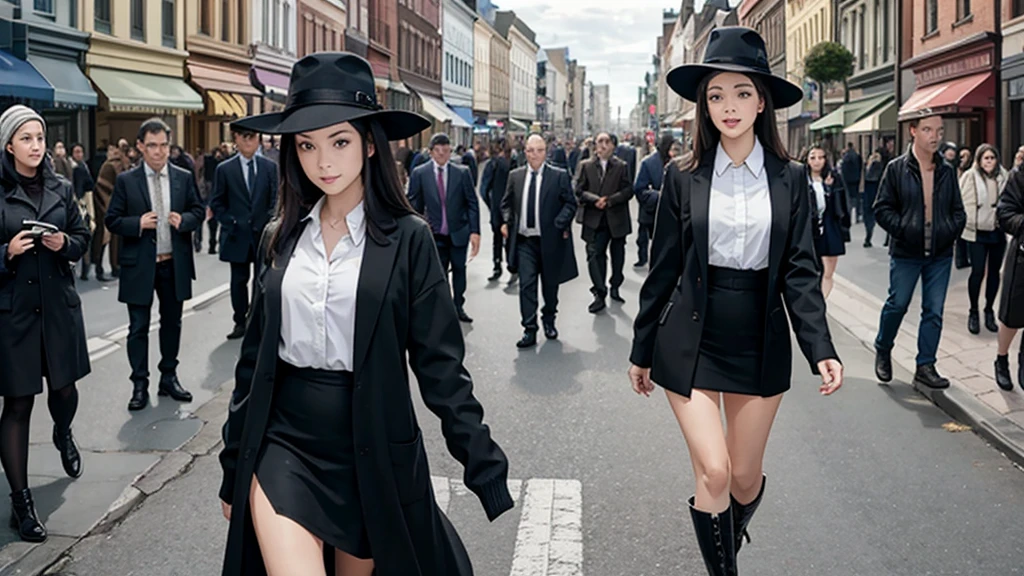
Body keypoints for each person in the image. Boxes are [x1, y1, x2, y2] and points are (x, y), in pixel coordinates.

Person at [217, 52, 513, 576]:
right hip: (282, 442)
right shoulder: (280, 237)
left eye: (339, 142)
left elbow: (440, 367)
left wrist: (482, 462)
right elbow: (252, 363)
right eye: (306, 145)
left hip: (370, 447)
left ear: (369, 144)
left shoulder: (409, 240)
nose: (323, 161)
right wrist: (230, 466)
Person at [628, 27, 843, 575]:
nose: (729, 106)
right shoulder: (683, 177)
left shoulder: (791, 179)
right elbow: (664, 269)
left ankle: (722, 529)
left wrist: (821, 346)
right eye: (717, 94)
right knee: (716, 474)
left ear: (762, 101)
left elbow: (799, 271)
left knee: (744, 478)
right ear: (704, 103)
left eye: (742, 93)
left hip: (760, 336)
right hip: (690, 337)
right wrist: (642, 347)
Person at [0, 105, 91, 542]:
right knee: (17, 405)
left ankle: (63, 431)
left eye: (39, 137)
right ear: (8, 145)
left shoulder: (63, 187)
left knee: (65, 389)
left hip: (57, 307)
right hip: (14, 313)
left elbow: (83, 240)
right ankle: (22, 505)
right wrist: (7, 252)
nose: (36, 146)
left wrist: (63, 242)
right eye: (26, 138)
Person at [105, 118, 205, 411]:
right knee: (138, 328)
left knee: (172, 323)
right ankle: (139, 384)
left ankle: (169, 377)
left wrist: (184, 221)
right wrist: (137, 223)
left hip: (173, 263)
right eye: (152, 146)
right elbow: (112, 220)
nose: (159, 152)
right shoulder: (126, 180)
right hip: (139, 265)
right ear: (140, 147)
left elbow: (198, 210)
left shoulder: (183, 177)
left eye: (164, 145)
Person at [872, 114, 967, 390]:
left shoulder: (947, 171)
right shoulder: (896, 169)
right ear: (913, 131)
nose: (934, 136)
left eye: (939, 130)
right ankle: (883, 347)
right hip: (906, 252)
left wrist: (949, 230)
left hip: (939, 254)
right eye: (927, 130)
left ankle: (925, 365)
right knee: (897, 304)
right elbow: (881, 209)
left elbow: (958, 211)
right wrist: (904, 229)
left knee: (934, 311)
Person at [500, 134, 578, 348]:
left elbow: (570, 204)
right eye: (531, 150)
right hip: (525, 242)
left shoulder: (559, 176)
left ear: (546, 152)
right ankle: (529, 329)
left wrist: (558, 224)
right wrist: (507, 221)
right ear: (525, 152)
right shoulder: (515, 176)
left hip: (550, 241)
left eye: (540, 150)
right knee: (527, 286)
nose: (535, 154)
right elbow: (506, 203)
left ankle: (549, 319)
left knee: (550, 286)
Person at [209, 127, 279, 340]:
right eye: (244, 137)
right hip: (236, 234)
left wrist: (270, 222)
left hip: (262, 235)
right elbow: (217, 202)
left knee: (262, 279)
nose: (249, 142)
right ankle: (239, 320)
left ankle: (258, 320)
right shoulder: (225, 169)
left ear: (259, 140)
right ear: (236, 139)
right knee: (238, 280)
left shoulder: (269, 167)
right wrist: (230, 221)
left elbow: (276, 198)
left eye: (253, 137)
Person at [407, 133, 480, 323]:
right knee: (439, 274)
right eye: (438, 151)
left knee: (459, 270)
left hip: (458, 232)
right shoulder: (420, 174)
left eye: (446, 151)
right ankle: (445, 307)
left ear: (450, 152)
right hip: (434, 234)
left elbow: (472, 202)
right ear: (430, 153)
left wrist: (475, 231)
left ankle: (458, 306)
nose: (442, 155)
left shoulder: (462, 173)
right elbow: (414, 204)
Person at [576, 132, 633, 313]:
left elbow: (628, 190)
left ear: (613, 146)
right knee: (594, 255)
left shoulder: (621, 166)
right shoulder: (585, 166)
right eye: (599, 141)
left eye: (607, 142)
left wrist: (609, 200)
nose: (602, 145)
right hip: (594, 219)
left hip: (616, 219)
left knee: (618, 256)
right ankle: (599, 292)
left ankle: (615, 284)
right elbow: (578, 189)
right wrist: (595, 200)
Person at [959, 144, 1008, 335]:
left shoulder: (1004, 177)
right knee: (977, 272)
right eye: (985, 158)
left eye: (992, 158)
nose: (989, 162)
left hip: (997, 231)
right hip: (976, 232)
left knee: (994, 273)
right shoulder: (970, 176)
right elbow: (962, 200)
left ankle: (989, 310)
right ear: (979, 160)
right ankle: (973, 311)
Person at [805, 143, 850, 298]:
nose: (817, 161)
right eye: (813, 157)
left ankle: (821, 303)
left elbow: (842, 206)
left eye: (820, 157)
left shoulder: (834, 178)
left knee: (828, 272)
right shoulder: (801, 179)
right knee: (813, 270)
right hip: (809, 230)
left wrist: (828, 189)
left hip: (830, 228)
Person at [995, 169, 1024, 391]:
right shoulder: (1020, 175)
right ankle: (1001, 358)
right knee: (1012, 317)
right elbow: (1005, 212)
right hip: (1022, 258)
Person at [634, 133, 675, 268]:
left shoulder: (677, 162)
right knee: (643, 238)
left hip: (671, 212)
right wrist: (660, 196)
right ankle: (643, 258)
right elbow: (640, 189)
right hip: (650, 211)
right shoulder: (648, 163)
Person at [479, 139, 511, 282]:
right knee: (511, 237)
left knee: (496, 239)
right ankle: (512, 264)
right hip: (511, 207)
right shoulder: (513, 163)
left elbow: (483, 189)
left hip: (497, 207)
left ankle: (497, 265)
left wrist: (490, 204)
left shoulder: (492, 164)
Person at [862, 148, 884, 247]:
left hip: (870, 194)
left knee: (869, 216)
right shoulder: (876, 166)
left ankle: (868, 236)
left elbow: (870, 178)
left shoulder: (872, 166)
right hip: (873, 193)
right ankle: (869, 236)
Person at [840, 142, 862, 223]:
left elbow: (844, 168)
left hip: (848, 180)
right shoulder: (857, 155)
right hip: (856, 178)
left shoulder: (846, 156)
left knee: (849, 197)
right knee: (856, 197)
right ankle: (858, 214)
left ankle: (850, 213)